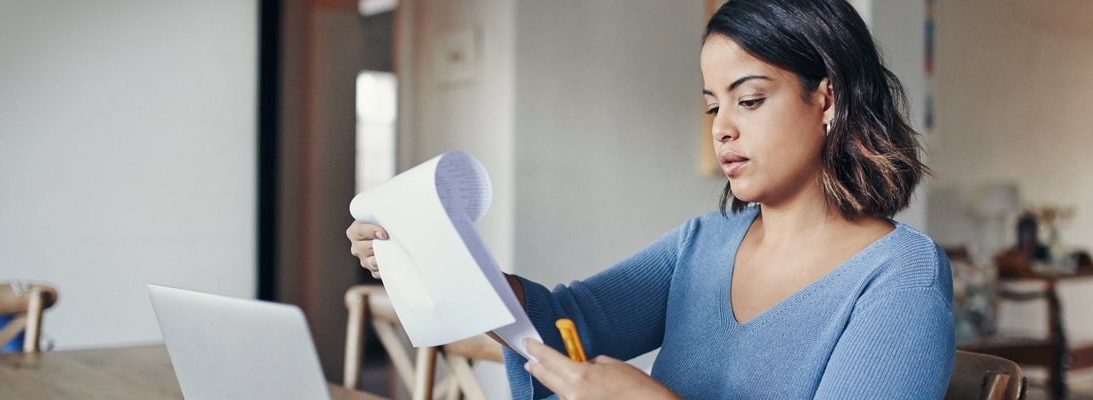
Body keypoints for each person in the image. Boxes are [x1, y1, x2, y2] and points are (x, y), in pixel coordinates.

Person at [346, 0, 954, 398]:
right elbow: (565, 323)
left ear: (828, 98)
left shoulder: (901, 279)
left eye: (749, 99)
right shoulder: (702, 245)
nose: (721, 128)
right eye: (713, 105)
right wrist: (437, 258)